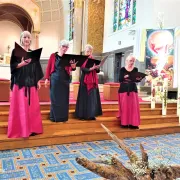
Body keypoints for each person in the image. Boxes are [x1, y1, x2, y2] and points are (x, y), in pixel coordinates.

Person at [8, 31, 43, 138]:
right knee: (21, 107)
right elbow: (12, 67)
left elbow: (37, 68)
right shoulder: (16, 51)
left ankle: (32, 128)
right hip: (20, 83)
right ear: (21, 39)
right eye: (24, 37)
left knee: (32, 108)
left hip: (31, 83)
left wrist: (37, 81)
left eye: (28, 37)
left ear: (30, 39)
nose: (26, 39)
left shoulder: (34, 53)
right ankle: (21, 130)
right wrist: (21, 64)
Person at [45, 40, 76, 122]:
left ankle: (63, 117)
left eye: (66, 47)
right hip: (55, 79)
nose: (65, 48)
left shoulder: (68, 57)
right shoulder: (53, 56)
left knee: (64, 99)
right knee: (54, 98)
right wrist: (47, 78)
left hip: (65, 80)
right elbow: (48, 67)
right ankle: (54, 117)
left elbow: (71, 68)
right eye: (63, 46)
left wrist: (73, 67)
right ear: (59, 46)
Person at [75, 44, 102, 120]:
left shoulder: (94, 59)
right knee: (84, 98)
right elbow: (83, 69)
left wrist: (97, 67)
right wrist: (91, 69)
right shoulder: (82, 59)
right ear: (85, 51)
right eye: (87, 51)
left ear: (92, 52)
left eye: (90, 51)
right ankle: (82, 115)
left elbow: (98, 71)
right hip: (85, 81)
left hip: (93, 81)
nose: (88, 53)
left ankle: (91, 114)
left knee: (92, 98)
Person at [118, 54, 141, 129]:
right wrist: (125, 77)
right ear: (126, 61)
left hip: (132, 89)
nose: (131, 62)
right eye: (130, 61)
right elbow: (120, 79)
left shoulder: (135, 69)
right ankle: (124, 123)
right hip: (124, 89)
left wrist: (137, 78)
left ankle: (133, 123)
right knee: (124, 107)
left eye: (133, 61)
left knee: (133, 107)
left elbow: (136, 80)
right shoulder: (122, 69)